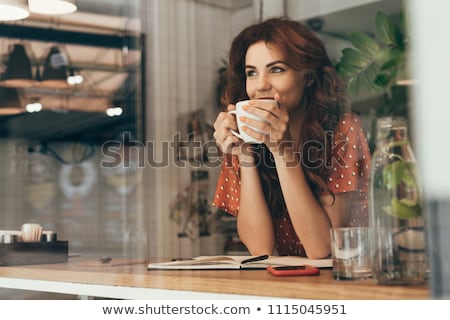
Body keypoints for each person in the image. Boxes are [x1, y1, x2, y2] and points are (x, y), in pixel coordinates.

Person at [212, 17, 371, 259]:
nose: (260, 85)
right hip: (293, 285)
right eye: (251, 73)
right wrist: (245, 154)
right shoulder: (245, 137)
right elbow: (260, 248)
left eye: (276, 69)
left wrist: (282, 150)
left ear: (308, 78)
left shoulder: (343, 129)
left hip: (350, 280)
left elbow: (321, 248)